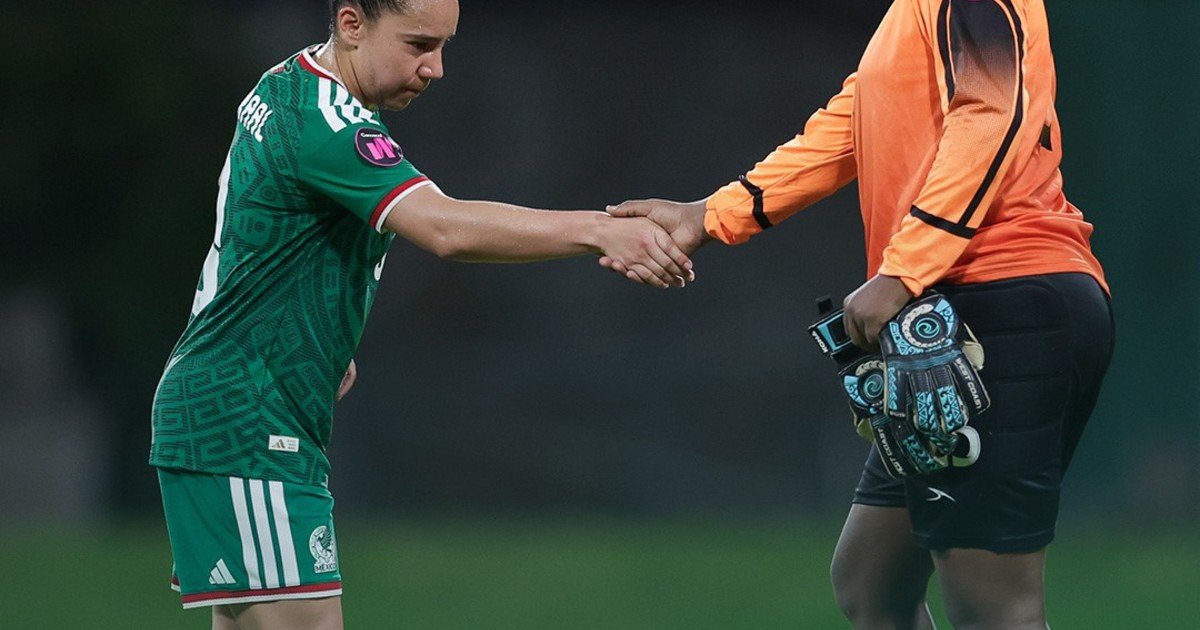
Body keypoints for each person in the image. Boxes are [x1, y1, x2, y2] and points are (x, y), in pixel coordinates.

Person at [149, 1, 695, 628]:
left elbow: (253, 235)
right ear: (352, 24)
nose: (435, 68)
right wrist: (600, 230)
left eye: (443, 46)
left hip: (236, 408)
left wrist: (317, 341)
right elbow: (444, 228)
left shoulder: (289, 84)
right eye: (417, 45)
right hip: (246, 420)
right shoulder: (327, 121)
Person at [605, 0, 1113, 627]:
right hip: (961, 301)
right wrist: (711, 215)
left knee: (995, 610)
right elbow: (855, 119)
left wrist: (903, 271)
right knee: (871, 583)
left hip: (1007, 297)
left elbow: (992, 112)